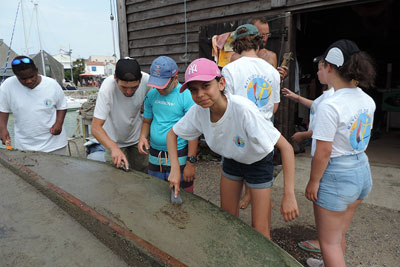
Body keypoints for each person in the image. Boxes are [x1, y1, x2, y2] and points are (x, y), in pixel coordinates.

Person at [167, 58, 299, 239]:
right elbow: (172, 135)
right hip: (232, 159)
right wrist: (175, 169)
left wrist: (289, 194)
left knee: (260, 231)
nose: (200, 94)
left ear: (221, 83)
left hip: (258, 161)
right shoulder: (199, 111)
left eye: (206, 86)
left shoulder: (243, 109)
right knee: (227, 221)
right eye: (194, 89)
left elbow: (286, 148)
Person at [305, 40, 376, 267]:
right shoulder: (367, 99)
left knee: (329, 243)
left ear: (330, 67)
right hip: (361, 170)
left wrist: (313, 181)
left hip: (337, 175)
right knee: (338, 233)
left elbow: (324, 151)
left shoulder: (330, 105)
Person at [223, 24, 281, 209]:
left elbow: (227, 109)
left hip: (236, 141)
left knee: (228, 213)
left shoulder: (230, 70)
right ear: (258, 42)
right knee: (261, 218)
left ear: (237, 46)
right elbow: (274, 107)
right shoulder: (272, 71)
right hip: (262, 142)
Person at [281, 60, 335, 254]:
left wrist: (304, 135)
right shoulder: (329, 95)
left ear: (330, 70)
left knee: (323, 202)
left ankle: (325, 243)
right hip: (328, 158)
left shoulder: (332, 99)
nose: (317, 73)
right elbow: (315, 105)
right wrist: (296, 97)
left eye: (320, 69)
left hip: (326, 160)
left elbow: (325, 128)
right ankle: (328, 242)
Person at [138, 56, 197, 192]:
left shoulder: (186, 96)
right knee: (156, 192)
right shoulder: (152, 95)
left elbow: (193, 132)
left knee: (181, 194)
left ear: (175, 79)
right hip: (155, 155)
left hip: (180, 154)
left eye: (163, 86)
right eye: (156, 85)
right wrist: (142, 136)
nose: (159, 90)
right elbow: (147, 121)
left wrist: (190, 163)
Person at [91, 58, 151, 172]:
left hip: (137, 138)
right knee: (116, 178)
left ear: (140, 80)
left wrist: (147, 133)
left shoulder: (147, 80)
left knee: (143, 175)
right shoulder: (107, 88)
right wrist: (113, 147)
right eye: (124, 87)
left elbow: (156, 105)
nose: (129, 92)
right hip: (114, 140)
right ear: (115, 78)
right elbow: (95, 128)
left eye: (134, 87)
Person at [0, 56, 67, 154]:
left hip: (54, 145)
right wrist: (3, 129)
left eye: (32, 76)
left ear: (36, 71)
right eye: (23, 79)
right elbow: (3, 110)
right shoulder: (7, 86)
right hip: (24, 146)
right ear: (16, 75)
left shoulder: (52, 84)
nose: (29, 81)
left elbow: (62, 106)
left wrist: (59, 123)